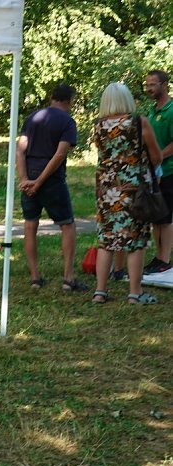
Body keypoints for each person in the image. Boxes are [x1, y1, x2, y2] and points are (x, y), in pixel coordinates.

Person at [91, 82, 162, 304]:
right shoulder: (139, 122)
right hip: (133, 189)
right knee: (136, 239)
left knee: (106, 239)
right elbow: (156, 156)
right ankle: (135, 292)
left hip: (106, 189)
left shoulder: (98, 125)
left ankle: (100, 292)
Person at [16, 84, 87, 292]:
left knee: (30, 225)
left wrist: (24, 179)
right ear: (70, 101)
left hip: (29, 177)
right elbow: (59, 155)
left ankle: (35, 277)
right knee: (67, 225)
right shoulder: (67, 122)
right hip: (52, 180)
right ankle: (68, 278)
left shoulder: (32, 118)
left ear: (52, 98)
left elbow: (20, 151)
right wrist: (39, 182)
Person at [143, 70, 173, 274]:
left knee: (167, 216)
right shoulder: (152, 111)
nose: (149, 89)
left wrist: (158, 157)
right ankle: (158, 256)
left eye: (153, 84)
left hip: (169, 171)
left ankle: (165, 258)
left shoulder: (171, 110)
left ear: (165, 85)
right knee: (156, 216)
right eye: (147, 85)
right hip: (153, 172)